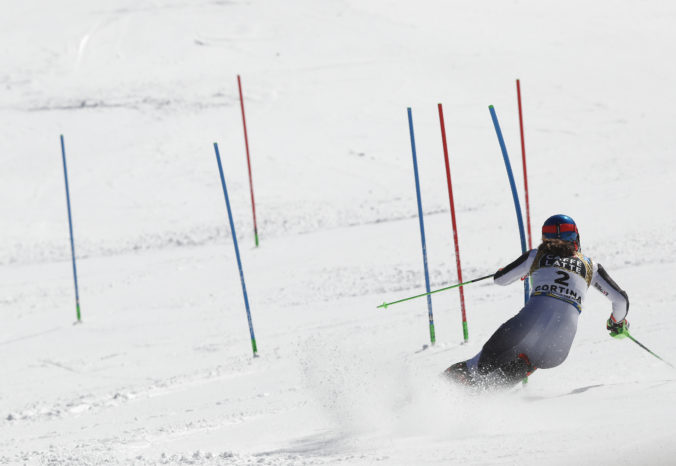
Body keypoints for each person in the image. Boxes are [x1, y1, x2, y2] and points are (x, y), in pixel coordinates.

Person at [444, 214, 630, 389]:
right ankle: (483, 399)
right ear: (576, 238)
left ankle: (435, 391)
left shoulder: (535, 256)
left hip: (523, 327)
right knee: (526, 361)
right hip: (558, 348)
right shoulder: (591, 266)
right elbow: (621, 301)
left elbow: (501, 279)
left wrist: (522, 271)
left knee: (477, 367)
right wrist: (616, 323)